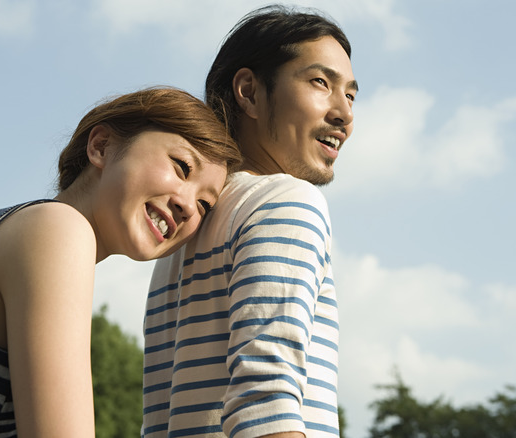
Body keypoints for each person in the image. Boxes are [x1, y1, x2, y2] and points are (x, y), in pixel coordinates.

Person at [0, 87, 242, 437]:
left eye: (205, 205)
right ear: (101, 146)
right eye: (181, 166)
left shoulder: (5, 226)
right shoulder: (57, 227)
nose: (188, 205)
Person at [142, 5, 357, 438]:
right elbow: (266, 402)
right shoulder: (289, 200)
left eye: (350, 95)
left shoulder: (182, 235)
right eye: (321, 82)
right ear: (249, 91)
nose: (344, 114)